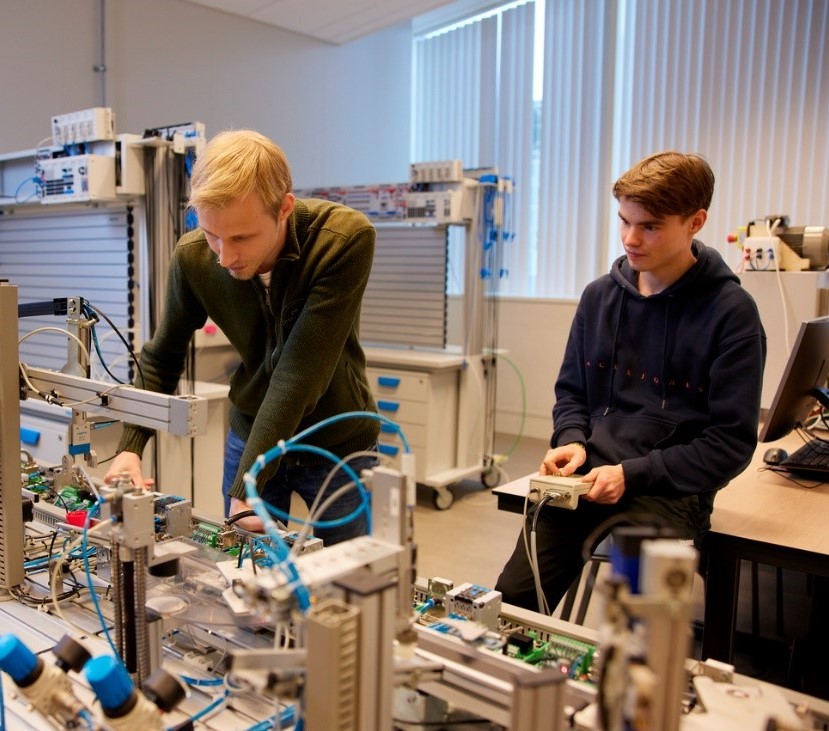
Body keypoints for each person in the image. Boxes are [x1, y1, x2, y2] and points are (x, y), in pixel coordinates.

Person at [495, 151, 766, 612]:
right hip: (586, 477)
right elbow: (572, 394)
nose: (630, 239)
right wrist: (572, 439)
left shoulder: (731, 315)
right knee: (512, 605)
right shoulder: (599, 298)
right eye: (624, 221)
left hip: (669, 491)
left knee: (644, 631)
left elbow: (729, 444)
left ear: (695, 221)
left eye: (650, 226)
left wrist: (634, 474)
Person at [104, 129, 379, 545]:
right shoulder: (193, 257)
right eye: (212, 233)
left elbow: (298, 374)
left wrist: (243, 488)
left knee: (346, 577)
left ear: (284, 207)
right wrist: (131, 445)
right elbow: (162, 358)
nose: (224, 256)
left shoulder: (342, 240)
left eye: (241, 238)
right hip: (250, 431)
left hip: (336, 442)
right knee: (249, 575)